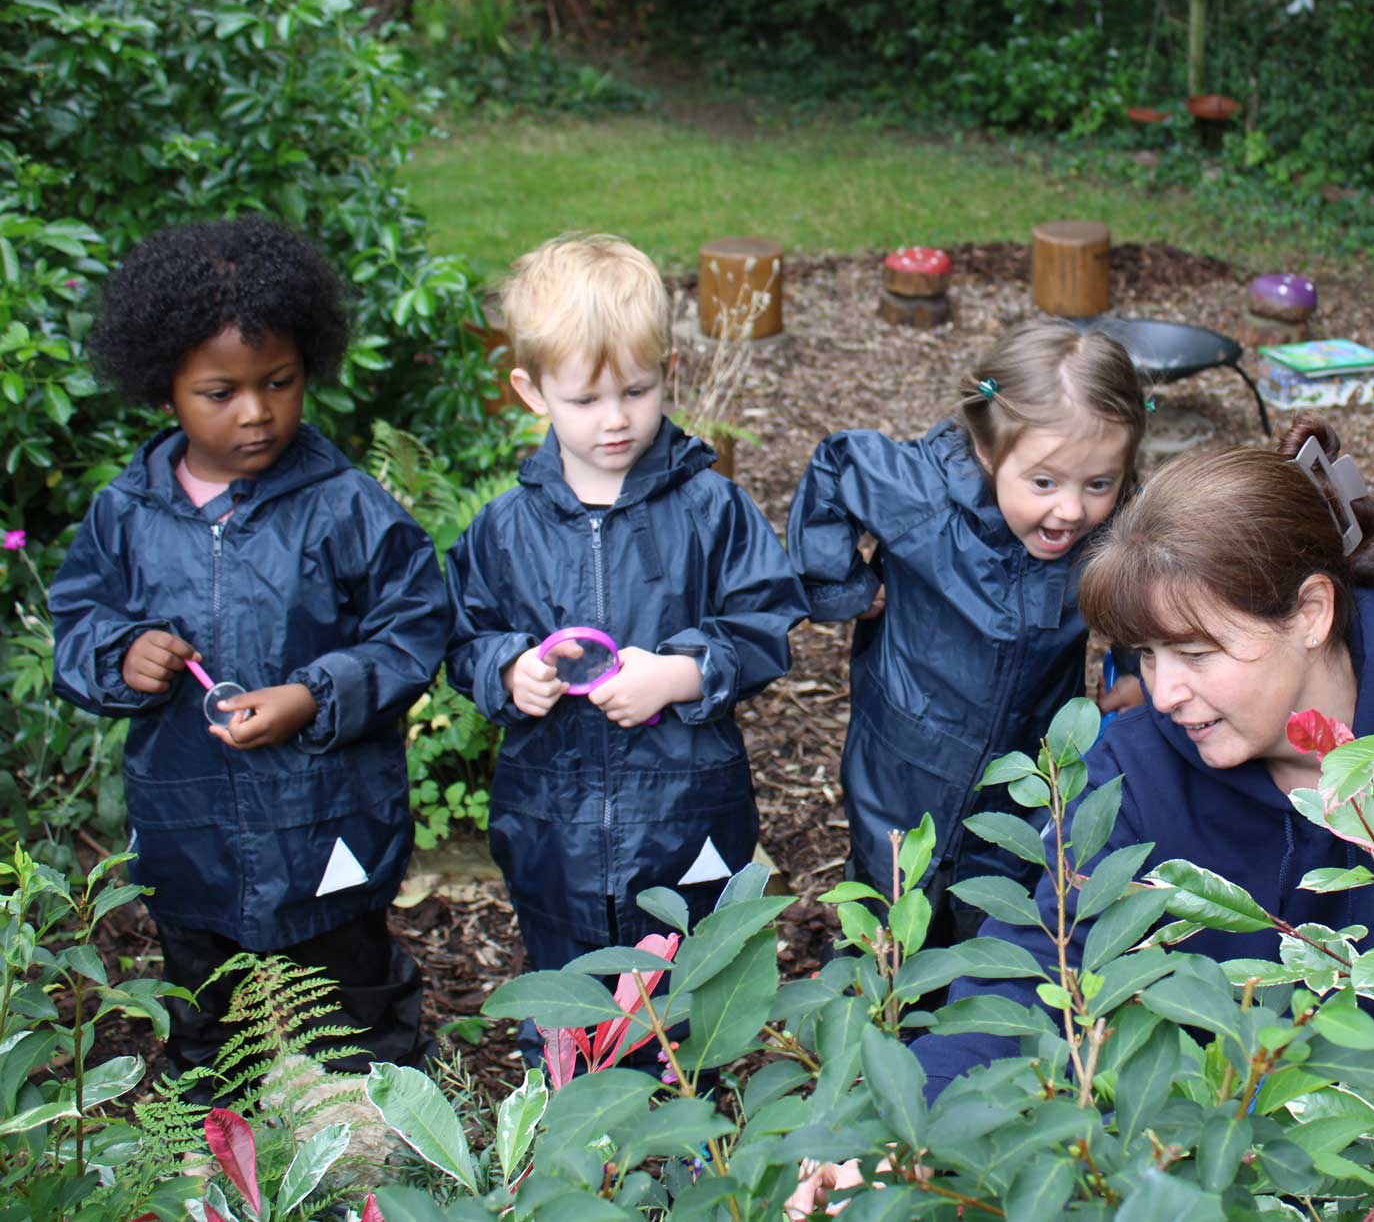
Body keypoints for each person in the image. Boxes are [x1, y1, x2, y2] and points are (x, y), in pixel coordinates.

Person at [906, 418, 1374, 1171]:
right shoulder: (1140, 767)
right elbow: (1040, 957)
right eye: (1148, 654)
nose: (1164, 690)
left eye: (1196, 651)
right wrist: (919, 1122)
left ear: (1311, 613)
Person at [50, 218, 447, 1079]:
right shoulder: (129, 513)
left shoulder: (342, 504)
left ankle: (381, 1123)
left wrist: (316, 693)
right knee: (204, 995)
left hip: (327, 810)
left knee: (355, 988)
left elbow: (415, 620)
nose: (257, 411)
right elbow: (76, 618)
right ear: (166, 393)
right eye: (219, 391)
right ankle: (203, 1135)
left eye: (280, 381)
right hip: (190, 814)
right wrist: (121, 654)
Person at [444, 234, 806, 1056]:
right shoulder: (505, 530)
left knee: (688, 991)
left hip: (685, 808)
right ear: (530, 391)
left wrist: (680, 674)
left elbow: (766, 619)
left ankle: (689, 1139)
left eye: (637, 391)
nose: (615, 418)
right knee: (566, 992)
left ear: (668, 373)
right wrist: (507, 668)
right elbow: (461, 631)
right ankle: (567, 1130)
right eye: (585, 399)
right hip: (550, 818)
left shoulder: (710, 509)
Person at [786, 320, 1148, 942]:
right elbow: (837, 465)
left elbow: (1150, 583)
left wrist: (1139, 670)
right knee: (892, 892)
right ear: (987, 450)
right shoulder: (920, 493)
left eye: (1098, 483)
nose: (1069, 509)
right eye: (1044, 482)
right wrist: (844, 585)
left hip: (1026, 763)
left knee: (999, 895)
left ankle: (968, 1014)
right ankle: (886, 1004)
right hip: (902, 749)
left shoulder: (1108, 532)